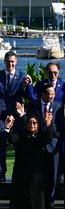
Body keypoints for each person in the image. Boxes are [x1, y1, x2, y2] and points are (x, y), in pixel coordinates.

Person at [6, 113, 53, 209]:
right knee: (22, 208)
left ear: (38, 125)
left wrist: (48, 123)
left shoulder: (41, 136)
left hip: (38, 179)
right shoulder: (21, 136)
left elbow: (49, 137)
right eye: (30, 122)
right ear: (26, 124)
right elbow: (10, 139)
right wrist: (8, 126)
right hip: (22, 179)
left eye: (34, 123)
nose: (32, 124)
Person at [25, 83, 65, 206]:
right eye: (49, 94)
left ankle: (51, 200)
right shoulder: (33, 105)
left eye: (53, 94)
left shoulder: (58, 106)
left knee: (53, 174)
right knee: (37, 173)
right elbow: (29, 124)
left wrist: (50, 130)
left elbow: (61, 127)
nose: (52, 96)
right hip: (38, 145)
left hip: (53, 145)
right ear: (43, 94)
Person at [0, 51, 33, 180]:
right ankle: (1, 174)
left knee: (19, 147)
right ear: (4, 62)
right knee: (1, 147)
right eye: (8, 61)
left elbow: (30, 97)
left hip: (17, 118)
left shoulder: (22, 76)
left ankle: (20, 176)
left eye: (12, 61)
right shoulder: (0, 75)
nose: (10, 64)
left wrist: (29, 85)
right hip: (1, 118)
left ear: (16, 62)